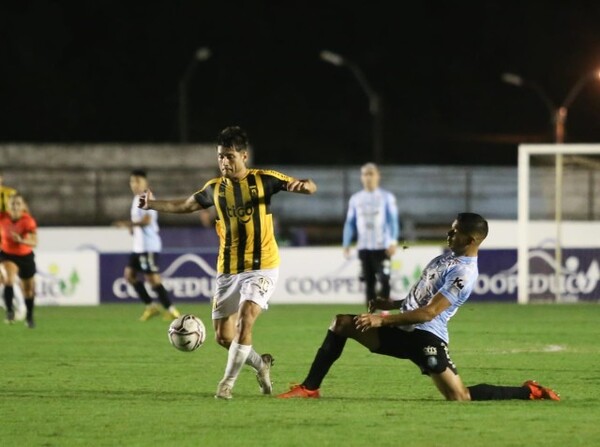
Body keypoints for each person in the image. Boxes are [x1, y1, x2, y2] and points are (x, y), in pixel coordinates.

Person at [277, 213, 560, 402]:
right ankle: (310, 388)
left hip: (425, 335)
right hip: (402, 326)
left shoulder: (464, 273)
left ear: (471, 240)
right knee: (341, 323)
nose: (449, 234)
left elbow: (429, 313)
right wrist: (392, 304)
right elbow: (420, 298)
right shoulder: (443, 259)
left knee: (458, 396)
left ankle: (529, 391)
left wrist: (381, 320)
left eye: (455, 232)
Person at [138, 126, 317, 399]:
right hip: (228, 269)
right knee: (223, 336)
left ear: (244, 156)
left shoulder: (264, 180)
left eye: (230, 156)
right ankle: (261, 364)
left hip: (262, 265)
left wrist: (304, 187)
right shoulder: (215, 189)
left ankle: (226, 384)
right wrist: (153, 204)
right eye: (221, 156)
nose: (224, 162)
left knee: (246, 319)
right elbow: (186, 205)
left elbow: (308, 185)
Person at [113, 169, 181, 322]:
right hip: (138, 247)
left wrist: (127, 224)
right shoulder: (136, 199)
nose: (134, 184)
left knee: (153, 280)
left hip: (149, 246)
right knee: (129, 276)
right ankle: (151, 306)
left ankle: (172, 310)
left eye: (138, 181)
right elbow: (139, 222)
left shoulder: (147, 198)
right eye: (132, 181)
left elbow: (147, 221)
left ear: (145, 183)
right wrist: (132, 229)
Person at [343, 163, 399, 310]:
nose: (368, 177)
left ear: (378, 176)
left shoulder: (387, 197)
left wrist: (393, 241)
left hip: (383, 247)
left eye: (371, 174)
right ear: (361, 177)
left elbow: (393, 221)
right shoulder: (356, 199)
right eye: (365, 174)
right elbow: (350, 222)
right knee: (369, 283)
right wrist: (346, 243)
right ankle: (371, 316)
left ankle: (385, 313)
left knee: (385, 280)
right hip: (364, 247)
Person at [0, 194, 38, 328]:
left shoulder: (28, 221)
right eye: (12, 204)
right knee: (8, 279)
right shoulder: (2, 218)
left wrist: (21, 240)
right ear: (8, 206)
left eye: (18, 204)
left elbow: (34, 242)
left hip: (25, 256)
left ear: (22, 206)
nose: (15, 206)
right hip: (7, 255)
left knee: (28, 290)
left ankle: (29, 316)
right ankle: (10, 310)